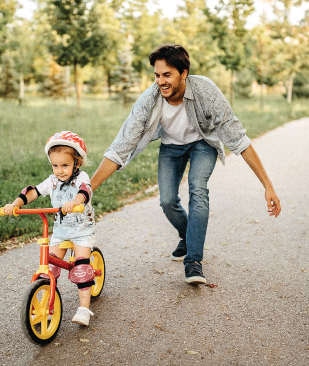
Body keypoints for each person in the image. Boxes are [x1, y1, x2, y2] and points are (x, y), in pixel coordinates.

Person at [90, 44, 281, 285]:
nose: (161, 81)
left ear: (184, 73)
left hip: (202, 143)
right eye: (157, 75)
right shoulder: (149, 99)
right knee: (167, 201)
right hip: (171, 147)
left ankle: (193, 261)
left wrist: (268, 185)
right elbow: (120, 147)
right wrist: (88, 190)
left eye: (167, 74)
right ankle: (187, 235)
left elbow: (239, 139)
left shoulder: (206, 91)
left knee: (197, 187)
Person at [3, 131, 96, 326]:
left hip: (81, 230)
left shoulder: (82, 177)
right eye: (55, 165)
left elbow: (84, 191)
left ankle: (84, 309)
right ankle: (43, 305)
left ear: (76, 163)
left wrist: (75, 202)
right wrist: (15, 204)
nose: (60, 170)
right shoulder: (52, 181)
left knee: (81, 268)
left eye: (65, 165)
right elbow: (33, 192)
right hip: (61, 231)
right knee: (49, 267)